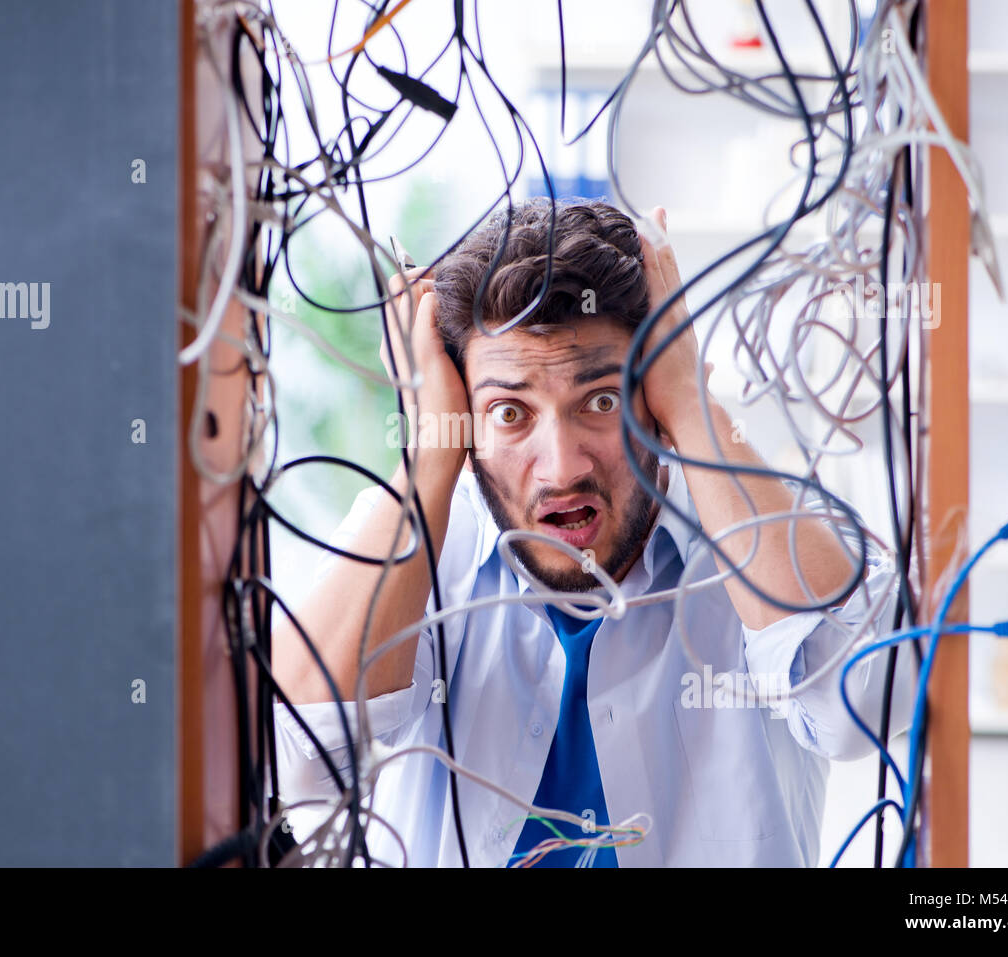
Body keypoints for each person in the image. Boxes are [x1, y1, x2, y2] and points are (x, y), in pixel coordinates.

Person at [271, 197, 915, 867]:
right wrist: (431, 452)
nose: (562, 466)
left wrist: (694, 405)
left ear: (656, 392)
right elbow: (298, 759)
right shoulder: (424, 533)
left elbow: (865, 701)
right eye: (511, 412)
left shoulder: (762, 524)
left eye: (601, 401)